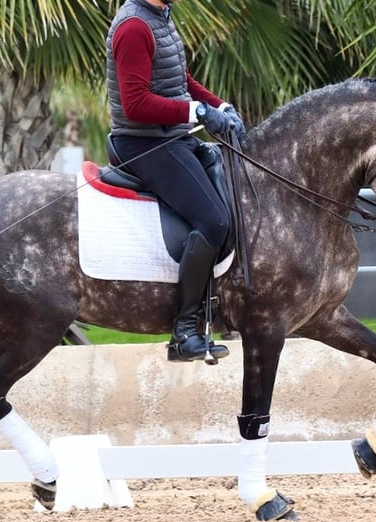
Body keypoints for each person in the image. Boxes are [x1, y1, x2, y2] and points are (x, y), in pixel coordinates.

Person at [106, 0, 246, 362]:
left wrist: (219, 106)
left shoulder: (160, 17)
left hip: (171, 137)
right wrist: (196, 112)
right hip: (143, 143)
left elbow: (178, 81)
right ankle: (184, 332)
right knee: (213, 220)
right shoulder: (134, 27)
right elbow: (135, 103)